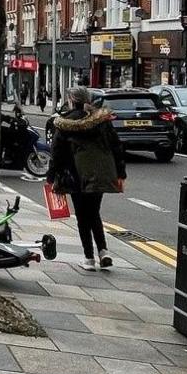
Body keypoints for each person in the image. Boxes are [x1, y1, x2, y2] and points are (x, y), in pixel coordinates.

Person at [47, 86, 126, 271]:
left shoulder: (64, 123)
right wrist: (121, 173)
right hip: (98, 174)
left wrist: (51, 177)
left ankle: (89, 258)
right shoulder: (101, 121)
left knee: (83, 216)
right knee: (93, 212)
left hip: (75, 175)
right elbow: (116, 147)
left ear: (71, 100)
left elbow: (57, 153)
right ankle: (103, 251)